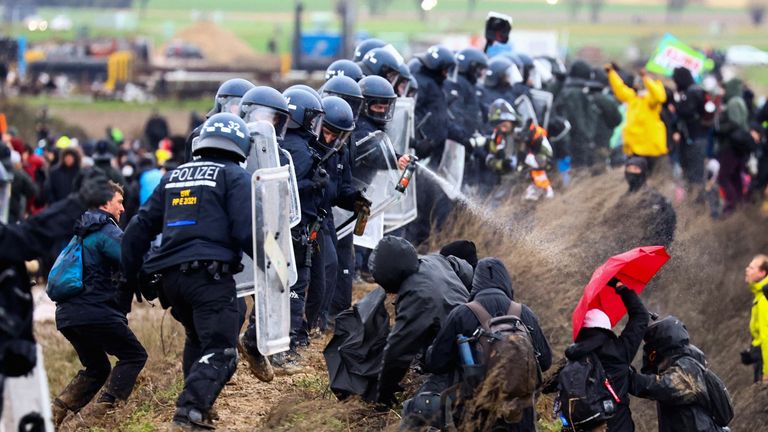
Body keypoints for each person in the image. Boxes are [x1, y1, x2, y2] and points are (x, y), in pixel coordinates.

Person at [121, 113, 254, 430]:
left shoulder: (174, 176)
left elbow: (136, 231)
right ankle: (190, 410)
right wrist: (275, 267)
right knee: (223, 350)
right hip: (208, 279)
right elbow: (247, 231)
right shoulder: (235, 177)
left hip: (171, 282)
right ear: (240, 146)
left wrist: (130, 277)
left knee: (198, 338)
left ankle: (198, 404)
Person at [52, 181, 147, 426]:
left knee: (97, 368)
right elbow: (133, 259)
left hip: (66, 316)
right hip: (94, 312)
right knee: (134, 355)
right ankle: (102, 412)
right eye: (119, 202)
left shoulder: (80, 233)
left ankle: (55, 412)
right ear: (105, 203)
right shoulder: (106, 231)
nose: (123, 209)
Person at [425, 257, 552, 431]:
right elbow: (545, 362)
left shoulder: (461, 314)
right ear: (506, 281)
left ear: (475, 283)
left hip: (477, 414)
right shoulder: (524, 314)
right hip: (520, 416)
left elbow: (437, 363)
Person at [368, 236, 471, 407]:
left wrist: (384, 390)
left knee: (419, 409)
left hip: (463, 361)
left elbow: (398, 350)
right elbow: (465, 268)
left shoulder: (416, 295)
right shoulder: (434, 260)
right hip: (477, 339)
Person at [562, 278, 649, 432]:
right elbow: (640, 316)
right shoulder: (619, 350)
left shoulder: (573, 357)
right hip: (619, 426)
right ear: (606, 328)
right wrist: (620, 287)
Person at [631, 316, 729, 432]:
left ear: (662, 344)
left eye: (651, 349)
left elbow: (662, 387)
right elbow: (650, 374)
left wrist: (630, 378)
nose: (650, 354)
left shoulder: (687, 365)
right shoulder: (680, 364)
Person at [554, 60, 622, 169]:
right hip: (592, 144)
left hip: (572, 144)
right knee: (594, 176)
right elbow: (617, 119)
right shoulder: (583, 96)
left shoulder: (568, 91)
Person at [606, 64, 668, 170]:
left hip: (650, 150)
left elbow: (660, 96)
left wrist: (646, 78)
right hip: (634, 149)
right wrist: (611, 73)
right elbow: (619, 88)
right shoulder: (632, 98)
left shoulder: (651, 101)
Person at [184, 78, 255, 161]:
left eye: (244, 105)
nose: (240, 109)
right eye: (235, 104)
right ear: (222, 104)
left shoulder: (256, 134)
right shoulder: (204, 132)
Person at [716, 78, 754, 214]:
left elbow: (735, 123)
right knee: (735, 176)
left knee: (724, 176)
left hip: (731, 146)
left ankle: (732, 205)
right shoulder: (739, 101)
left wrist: (719, 127)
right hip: (738, 146)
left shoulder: (733, 102)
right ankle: (739, 204)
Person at [671, 67, 708, 189]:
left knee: (694, 176)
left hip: (693, 138)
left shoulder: (691, 93)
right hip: (697, 137)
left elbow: (686, 111)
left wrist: (676, 105)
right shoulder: (697, 91)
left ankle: (696, 203)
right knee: (693, 174)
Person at [744, 254, 768, 383]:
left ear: (762, 273)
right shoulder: (759, 294)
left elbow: (766, 336)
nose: (747, 269)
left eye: (752, 268)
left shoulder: (765, 297)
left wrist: (767, 372)